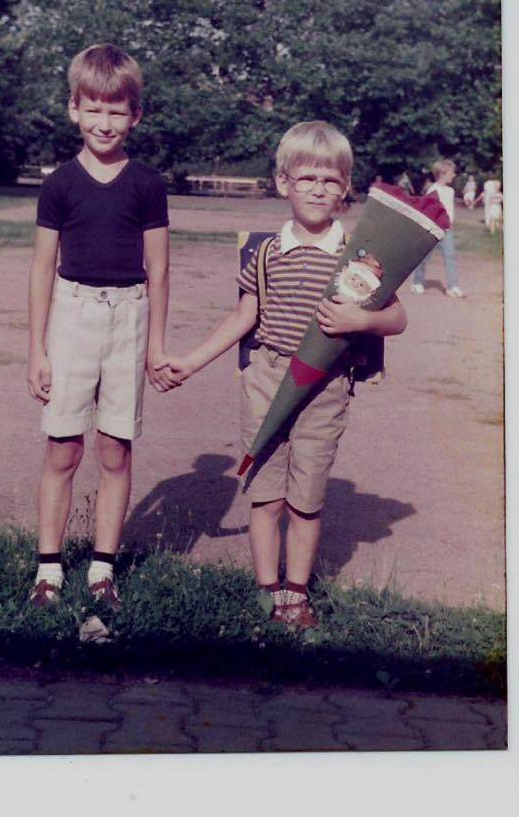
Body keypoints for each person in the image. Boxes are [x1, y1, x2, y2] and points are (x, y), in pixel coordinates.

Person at [154, 121, 407, 629]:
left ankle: (297, 592)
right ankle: (268, 589)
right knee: (266, 494)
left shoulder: (357, 256)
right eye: (306, 178)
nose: (318, 189)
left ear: (346, 187)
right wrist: (191, 361)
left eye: (330, 180)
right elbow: (243, 317)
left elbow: (397, 318)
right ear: (283, 183)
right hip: (266, 378)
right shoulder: (266, 252)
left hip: (325, 387)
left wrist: (361, 320)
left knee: (306, 501)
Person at [27, 43, 174, 607]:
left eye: (117, 111)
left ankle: (101, 571)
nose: (104, 122)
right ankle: (48, 571)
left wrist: (155, 345)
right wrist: (37, 350)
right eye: (94, 109)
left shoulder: (147, 184)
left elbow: (159, 270)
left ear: (136, 116)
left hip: (129, 316)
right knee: (62, 448)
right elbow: (43, 267)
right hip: (72, 315)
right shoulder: (59, 184)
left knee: (115, 449)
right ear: (74, 109)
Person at [411, 158, 465, 298]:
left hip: (447, 230)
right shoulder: (433, 190)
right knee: (424, 257)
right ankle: (417, 282)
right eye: (452, 172)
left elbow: (450, 210)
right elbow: (427, 211)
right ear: (443, 173)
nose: (454, 175)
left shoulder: (450, 191)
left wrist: (450, 223)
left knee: (450, 256)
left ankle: (453, 286)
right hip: (433, 230)